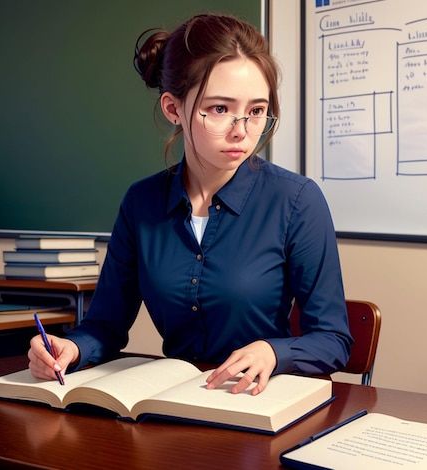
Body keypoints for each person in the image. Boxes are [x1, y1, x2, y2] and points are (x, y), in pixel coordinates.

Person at [28, 12, 352, 395]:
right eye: (219, 109)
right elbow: (105, 325)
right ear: (173, 108)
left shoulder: (296, 200)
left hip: (258, 405)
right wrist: (73, 348)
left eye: (256, 111)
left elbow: (333, 339)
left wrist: (273, 352)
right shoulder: (142, 203)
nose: (241, 130)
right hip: (172, 405)